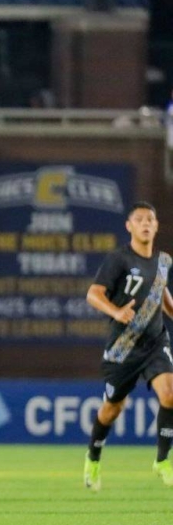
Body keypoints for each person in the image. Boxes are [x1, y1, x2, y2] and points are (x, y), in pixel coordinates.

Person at [84, 201, 173, 491]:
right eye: (139, 219)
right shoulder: (118, 259)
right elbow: (93, 294)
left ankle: (163, 460)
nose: (146, 223)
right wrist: (116, 312)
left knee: (170, 393)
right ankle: (93, 456)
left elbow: (161, 294)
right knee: (112, 409)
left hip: (155, 342)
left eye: (150, 218)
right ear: (129, 226)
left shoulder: (163, 261)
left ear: (156, 225)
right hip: (123, 346)